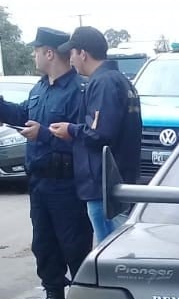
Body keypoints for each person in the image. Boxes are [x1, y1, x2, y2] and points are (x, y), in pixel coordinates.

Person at [0, 27, 92, 299]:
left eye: (36, 50)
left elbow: (82, 139)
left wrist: (44, 136)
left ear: (49, 53)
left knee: (74, 245)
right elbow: (21, 114)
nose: (33, 55)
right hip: (39, 182)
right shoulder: (39, 88)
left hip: (66, 183)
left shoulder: (79, 91)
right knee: (44, 245)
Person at [49, 26, 142, 243]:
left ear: (83, 53)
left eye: (72, 53)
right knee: (120, 248)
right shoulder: (119, 80)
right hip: (115, 182)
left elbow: (101, 134)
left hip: (104, 186)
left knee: (110, 252)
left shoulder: (104, 82)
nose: (70, 59)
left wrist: (70, 130)